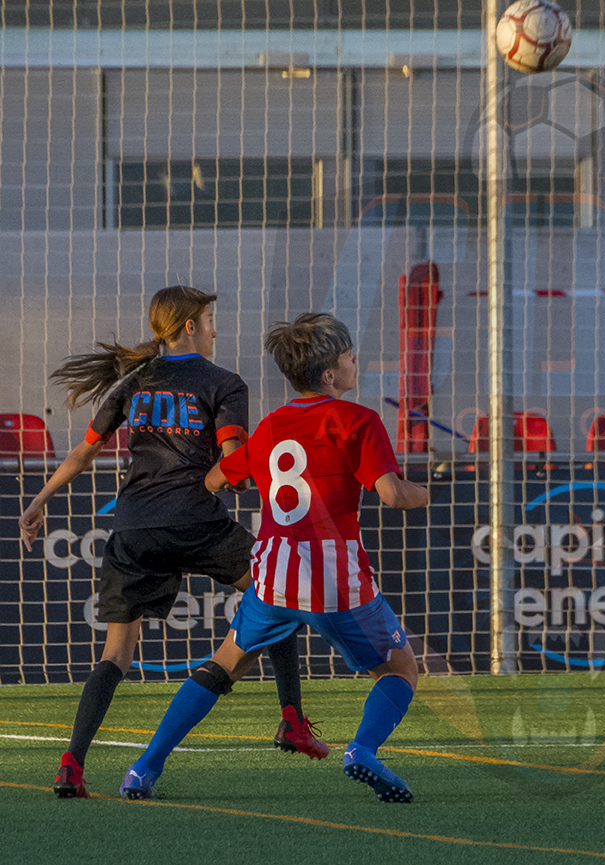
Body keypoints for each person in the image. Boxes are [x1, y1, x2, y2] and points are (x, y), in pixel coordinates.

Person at [18, 285, 325, 801]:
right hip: (196, 522)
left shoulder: (135, 382)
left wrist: (39, 500)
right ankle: (291, 718)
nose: (214, 330)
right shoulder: (223, 383)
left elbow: (83, 453)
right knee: (278, 590)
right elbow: (232, 457)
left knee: (115, 655)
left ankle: (71, 765)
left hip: (133, 529)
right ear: (189, 326)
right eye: (209, 320)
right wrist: (254, 475)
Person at [119, 312, 429, 804]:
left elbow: (216, 479)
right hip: (334, 581)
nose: (356, 360)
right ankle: (362, 750)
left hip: (274, 576)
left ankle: (143, 768)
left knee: (223, 665)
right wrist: (422, 492)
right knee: (400, 671)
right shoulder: (357, 420)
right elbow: (392, 494)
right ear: (329, 375)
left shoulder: (271, 426)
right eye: (349, 355)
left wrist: (247, 477)